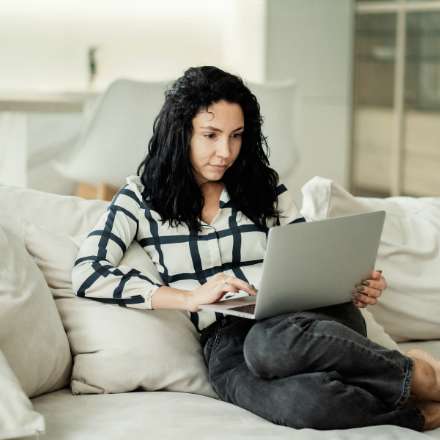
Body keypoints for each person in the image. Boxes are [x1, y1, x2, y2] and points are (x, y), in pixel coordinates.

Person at [72, 66, 440, 431]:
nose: (225, 152)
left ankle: (421, 378)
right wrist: (189, 298)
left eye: (236, 136)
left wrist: (355, 283)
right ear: (180, 133)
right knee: (306, 405)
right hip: (223, 342)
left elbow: (312, 256)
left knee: (268, 344)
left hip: (301, 319)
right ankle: (413, 409)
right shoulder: (139, 198)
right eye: (211, 135)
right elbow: (88, 272)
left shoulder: (264, 189)